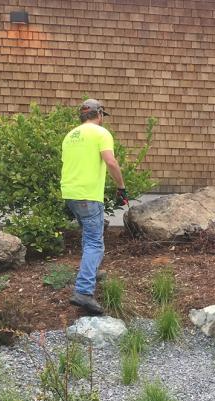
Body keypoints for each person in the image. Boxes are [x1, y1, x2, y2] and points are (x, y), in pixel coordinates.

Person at [61, 99, 129, 314]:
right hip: (88, 196)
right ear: (98, 114)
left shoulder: (70, 135)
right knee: (94, 243)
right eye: (102, 115)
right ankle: (83, 291)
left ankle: (91, 271)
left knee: (89, 237)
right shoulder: (101, 133)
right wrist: (121, 187)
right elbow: (110, 161)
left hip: (71, 194)